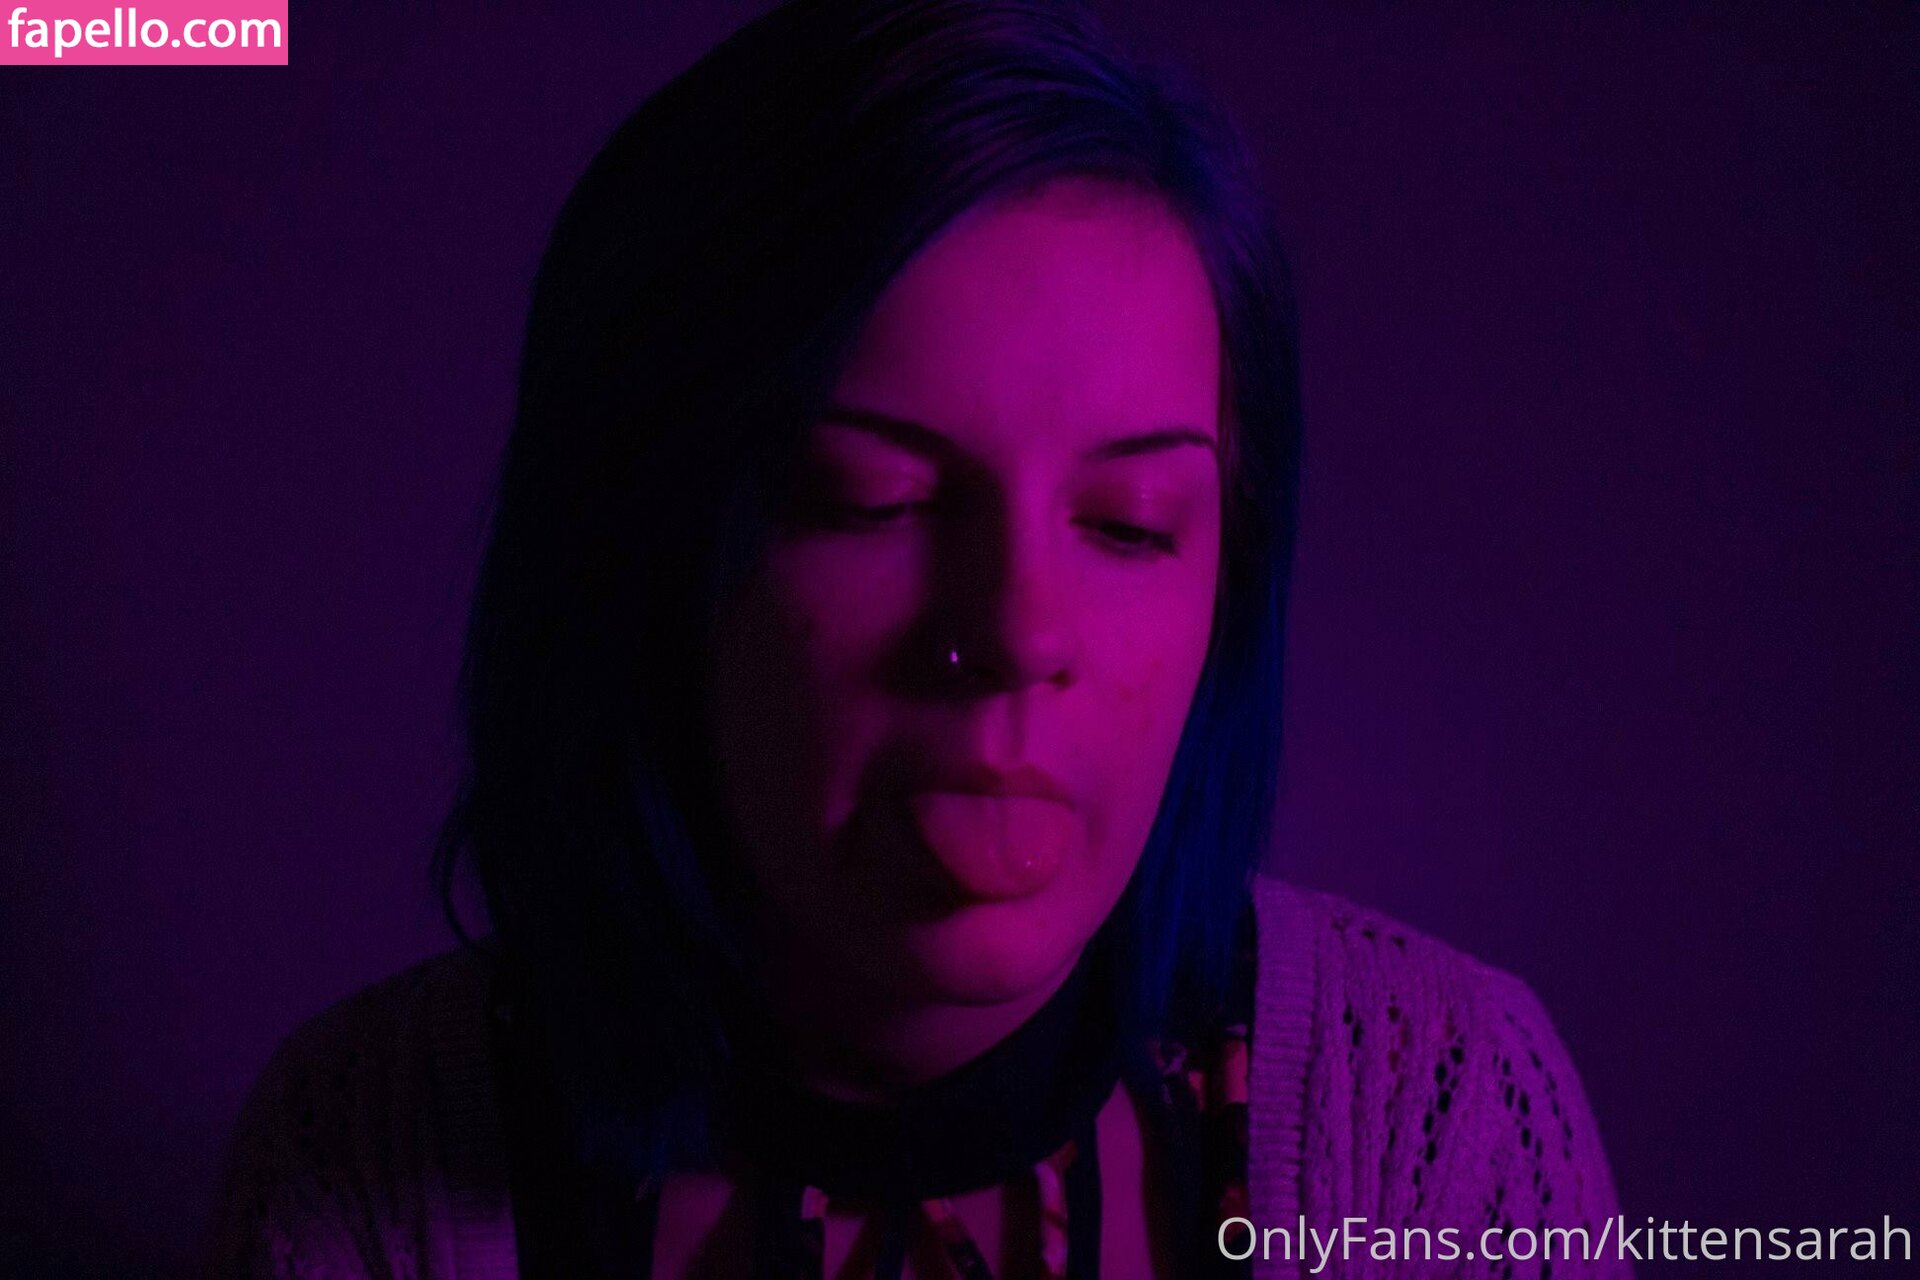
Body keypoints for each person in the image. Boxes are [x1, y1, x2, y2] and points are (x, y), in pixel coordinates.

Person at [203, 1, 1629, 1276]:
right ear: (643, 550)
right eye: (867, 498)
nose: (1014, 633)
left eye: (1130, 523)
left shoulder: (1439, 1111)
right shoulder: (367, 1156)